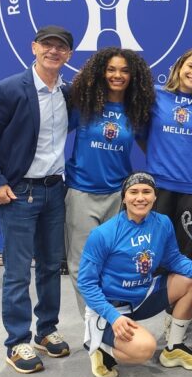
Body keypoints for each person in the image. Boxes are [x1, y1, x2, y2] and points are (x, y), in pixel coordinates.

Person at [0, 25, 74, 374]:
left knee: (49, 267)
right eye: (47, 45)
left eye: (61, 47)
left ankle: (46, 330)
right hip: (19, 193)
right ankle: (17, 341)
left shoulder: (68, 94)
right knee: (17, 272)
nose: (54, 51)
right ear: (34, 47)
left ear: (69, 55)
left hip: (54, 190)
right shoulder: (9, 89)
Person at [77, 172, 192, 377]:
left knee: (190, 281)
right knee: (145, 349)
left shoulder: (163, 223)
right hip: (110, 306)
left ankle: (174, 347)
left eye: (147, 192)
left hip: (142, 295)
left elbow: (173, 260)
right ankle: (100, 349)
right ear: (124, 197)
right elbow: (86, 284)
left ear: (155, 196)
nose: (140, 197)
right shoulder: (103, 234)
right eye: (134, 192)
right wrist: (113, 317)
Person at [64, 47, 155, 315]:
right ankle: (94, 325)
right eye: (112, 69)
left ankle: (113, 318)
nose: (118, 75)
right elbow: (49, 131)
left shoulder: (136, 110)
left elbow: (156, 148)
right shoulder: (84, 105)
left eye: (125, 70)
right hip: (82, 193)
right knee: (81, 265)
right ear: (101, 72)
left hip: (118, 196)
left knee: (113, 263)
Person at [143, 48, 192, 259]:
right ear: (179, 67)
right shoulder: (155, 95)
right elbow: (141, 136)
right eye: (191, 66)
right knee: (153, 253)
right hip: (159, 186)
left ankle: (183, 294)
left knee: (186, 256)